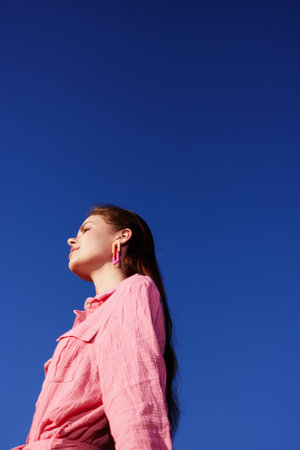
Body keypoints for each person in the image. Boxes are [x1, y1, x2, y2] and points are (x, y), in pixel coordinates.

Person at [12, 204, 180, 450]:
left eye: (86, 229)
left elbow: (134, 392)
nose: (72, 239)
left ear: (122, 236)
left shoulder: (133, 291)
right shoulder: (89, 319)